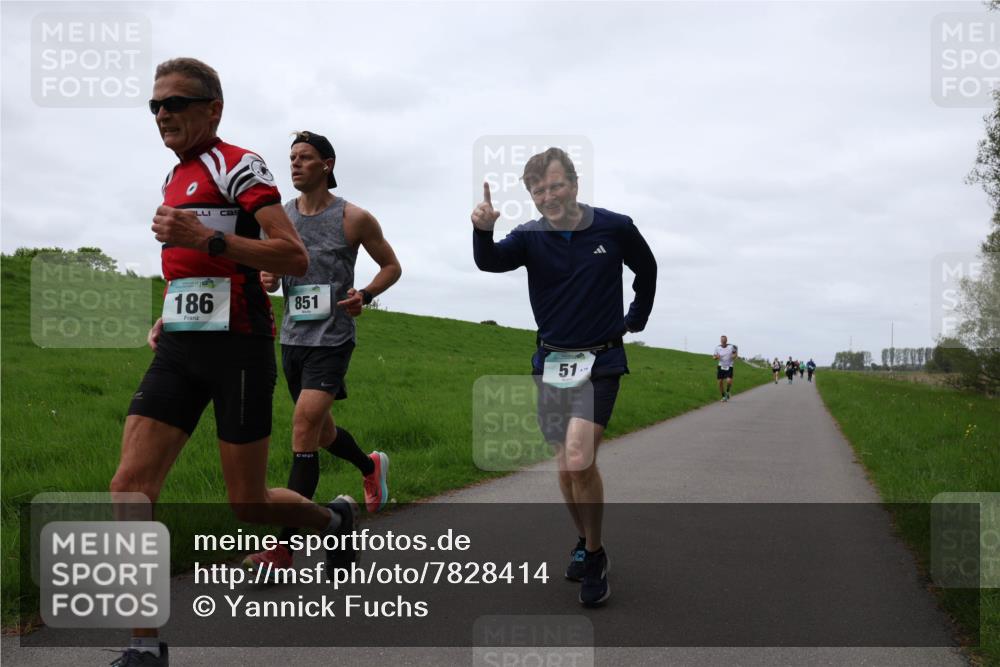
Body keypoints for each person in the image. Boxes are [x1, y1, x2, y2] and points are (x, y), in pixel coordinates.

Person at [110, 59, 358, 667]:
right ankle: (144, 647)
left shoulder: (238, 165)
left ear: (212, 109)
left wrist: (208, 238)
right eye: (155, 105)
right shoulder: (174, 176)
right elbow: (190, 267)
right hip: (179, 348)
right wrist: (170, 311)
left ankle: (333, 520)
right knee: (129, 488)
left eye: (175, 102)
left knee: (248, 505)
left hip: (239, 349)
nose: (162, 114)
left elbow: (292, 256)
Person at [471, 147, 656, 607]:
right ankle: (584, 540)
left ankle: (593, 555)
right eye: (538, 190)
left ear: (574, 184)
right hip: (551, 364)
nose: (548, 196)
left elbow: (647, 268)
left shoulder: (615, 227)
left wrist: (636, 317)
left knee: (578, 456)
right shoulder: (529, 237)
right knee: (565, 463)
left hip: (602, 361)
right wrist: (482, 230)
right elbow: (490, 262)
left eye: (555, 185)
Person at [243, 130, 402, 574]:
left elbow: (392, 266)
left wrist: (365, 294)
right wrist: (268, 277)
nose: (295, 163)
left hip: (332, 340)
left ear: (327, 165)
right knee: (322, 431)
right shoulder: (279, 218)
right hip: (292, 339)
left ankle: (283, 548)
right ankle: (369, 466)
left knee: (302, 428)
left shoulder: (354, 218)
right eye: (292, 157)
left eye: (305, 157)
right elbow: (270, 271)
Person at [713, 335, 738, 401]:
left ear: (726, 340)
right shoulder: (717, 348)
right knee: (720, 382)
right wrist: (716, 357)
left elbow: (735, 353)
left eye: (724, 340)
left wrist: (734, 356)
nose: (723, 341)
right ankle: (723, 396)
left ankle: (728, 392)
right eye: (722, 340)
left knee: (728, 381)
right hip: (721, 366)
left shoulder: (731, 347)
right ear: (720, 341)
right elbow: (714, 357)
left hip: (729, 366)